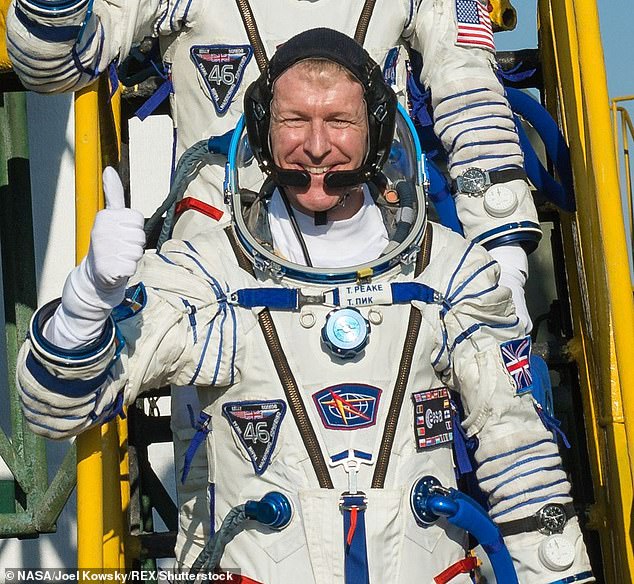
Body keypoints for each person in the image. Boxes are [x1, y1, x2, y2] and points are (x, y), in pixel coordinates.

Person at [17, 28, 593, 583]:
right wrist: (87, 300)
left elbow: (521, 456)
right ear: (264, 130)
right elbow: (54, 412)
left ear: (378, 130)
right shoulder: (215, 278)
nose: (317, 146)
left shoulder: (447, 277)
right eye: (295, 120)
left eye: (339, 120)